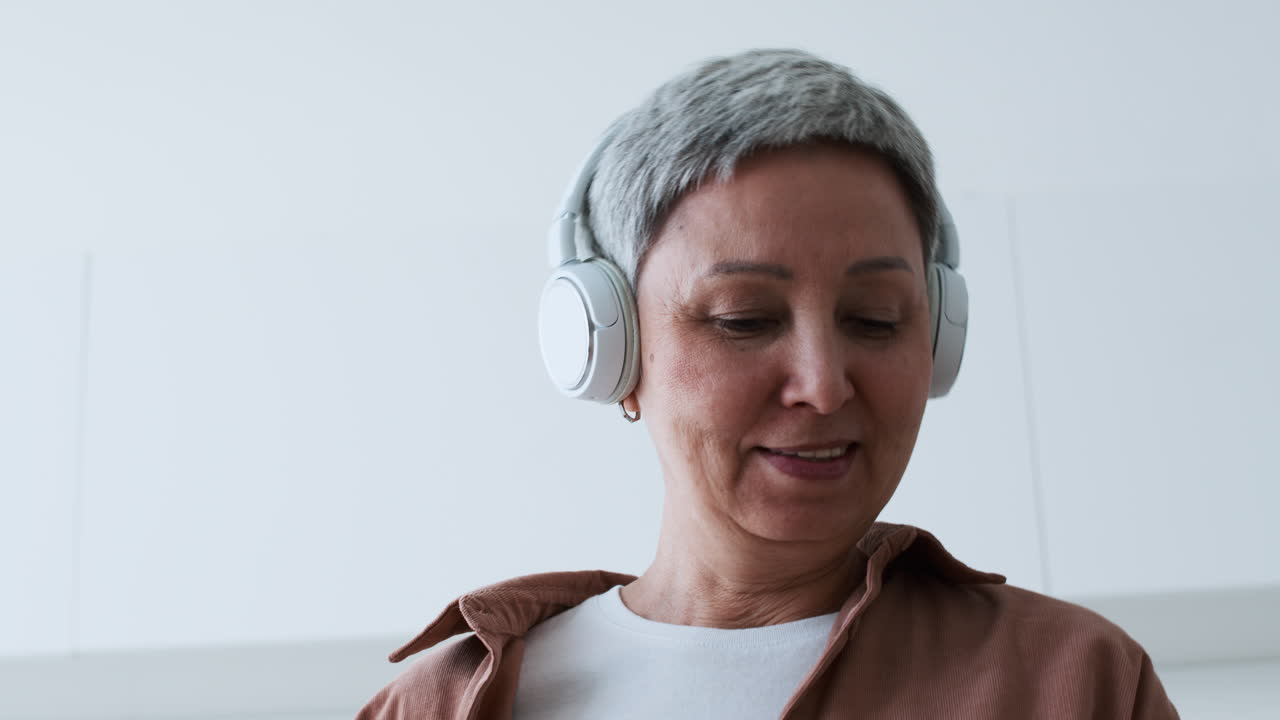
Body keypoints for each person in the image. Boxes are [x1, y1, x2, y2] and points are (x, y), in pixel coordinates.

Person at [356, 48, 1180, 719]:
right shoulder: (435, 707)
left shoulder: (1074, 685)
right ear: (610, 348)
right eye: (743, 319)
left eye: (877, 319)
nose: (823, 387)